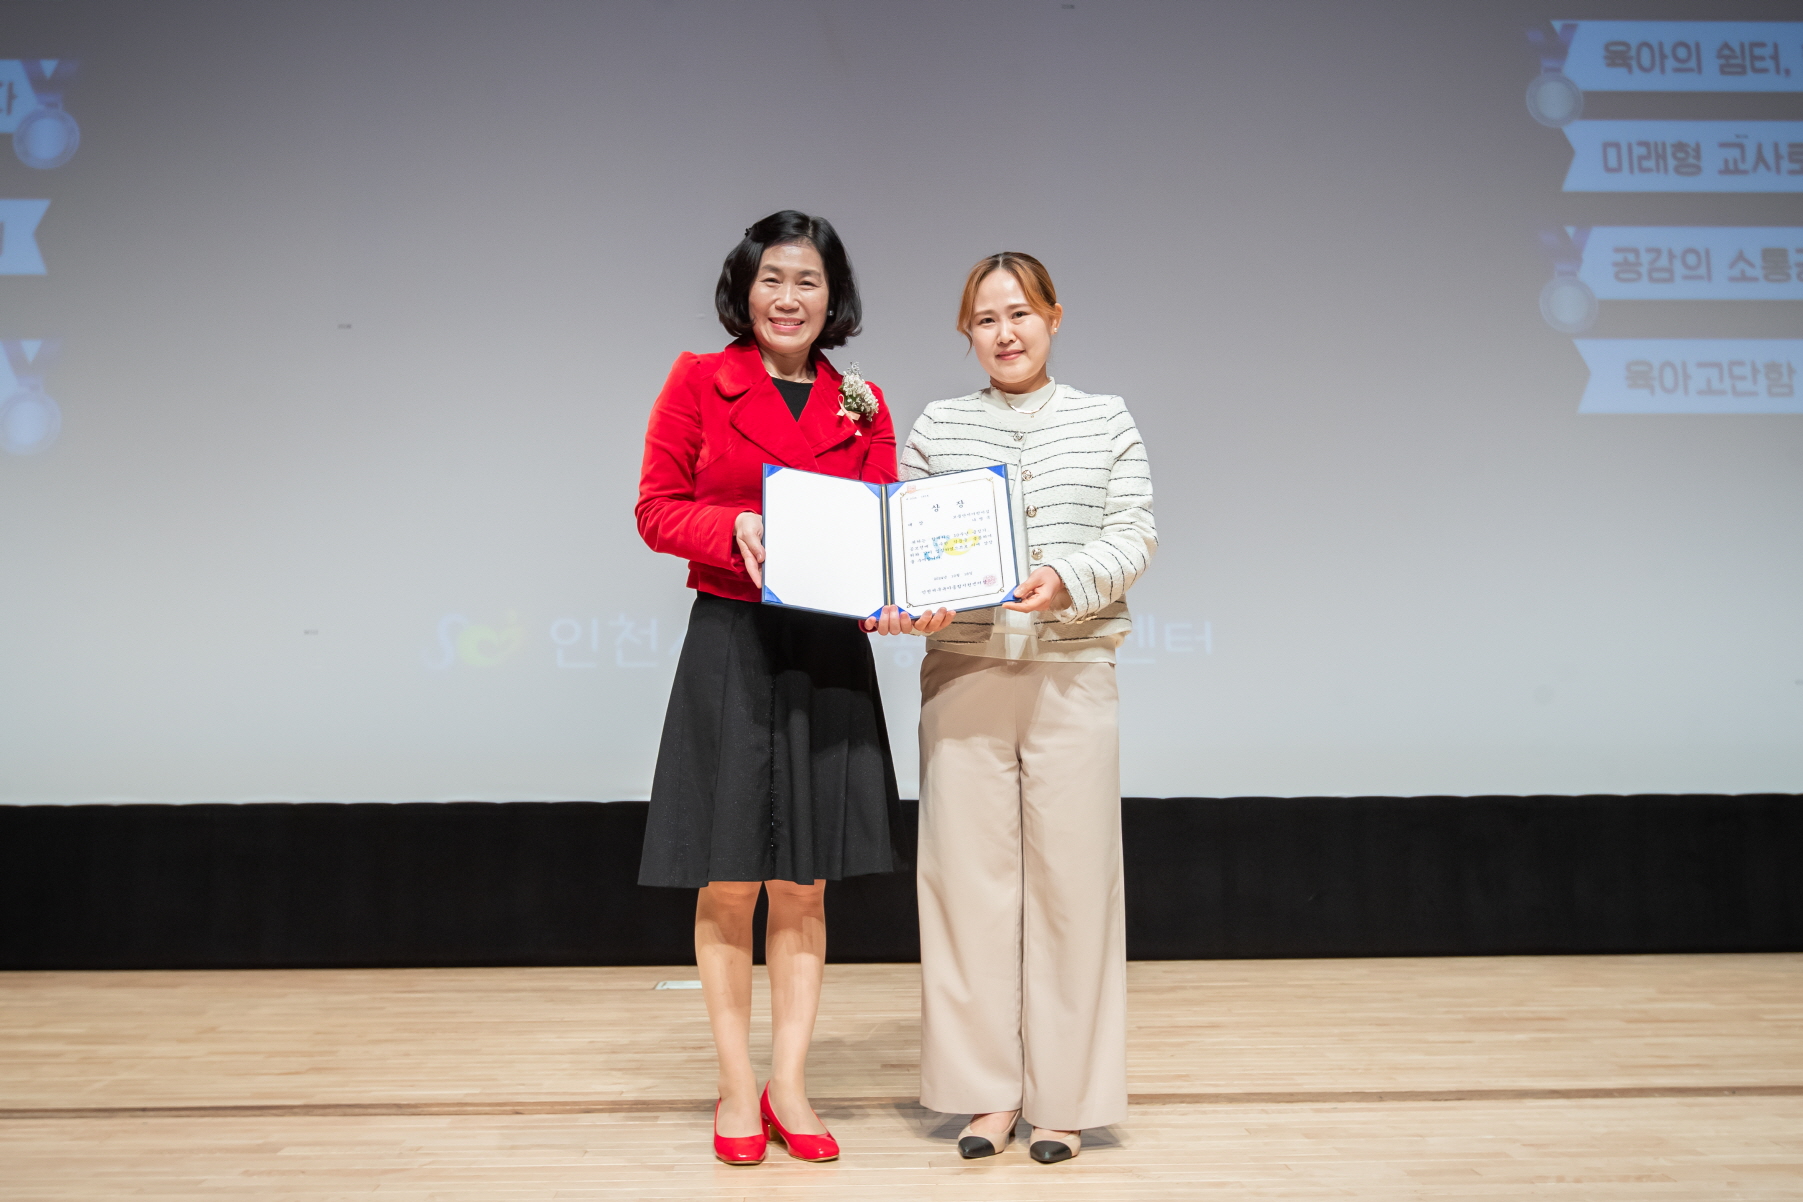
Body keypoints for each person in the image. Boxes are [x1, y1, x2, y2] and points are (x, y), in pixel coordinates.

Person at [635, 210, 907, 1167]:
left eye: (808, 282)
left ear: (833, 299)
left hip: (826, 649)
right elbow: (655, 509)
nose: (788, 299)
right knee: (730, 878)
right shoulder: (696, 379)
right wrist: (732, 529)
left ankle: (789, 1083)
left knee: (803, 883)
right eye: (772, 280)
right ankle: (732, 1084)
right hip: (733, 640)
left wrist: (893, 595)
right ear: (744, 289)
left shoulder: (862, 401)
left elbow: (883, 528)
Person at [897, 251, 1157, 1164]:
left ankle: (1064, 1102)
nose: (1004, 333)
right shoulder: (937, 427)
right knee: (964, 889)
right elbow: (908, 546)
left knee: (1074, 890)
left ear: (1053, 316)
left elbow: (1134, 531)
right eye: (984, 319)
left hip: (1072, 670)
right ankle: (985, 1096)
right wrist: (912, 600)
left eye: (1019, 314)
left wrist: (1065, 577)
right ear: (965, 332)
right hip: (963, 672)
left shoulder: (1103, 417)